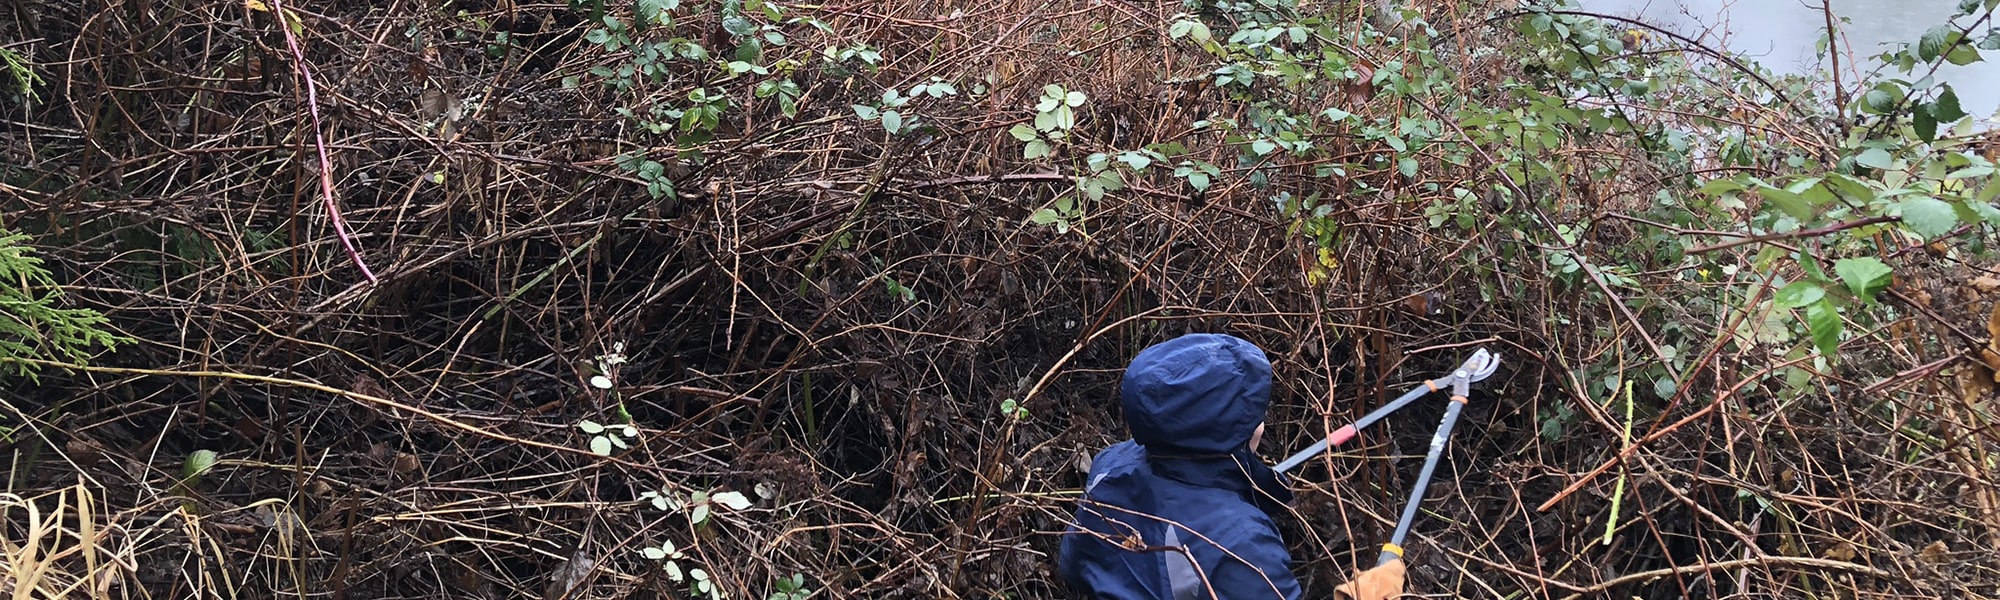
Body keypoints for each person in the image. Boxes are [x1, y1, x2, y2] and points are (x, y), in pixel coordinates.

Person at [1058, 333, 1407, 600]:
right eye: (1253, 415)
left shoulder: (1111, 463)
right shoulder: (1242, 545)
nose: (1261, 424)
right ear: (1229, 431)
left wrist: (1252, 486)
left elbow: (1073, 564)